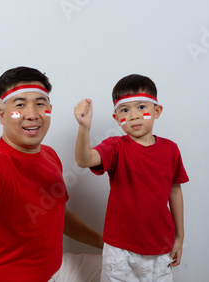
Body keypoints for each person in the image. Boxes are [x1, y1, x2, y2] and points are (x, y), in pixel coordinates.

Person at [0, 66, 103, 282]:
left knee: (132, 265)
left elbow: (59, 216)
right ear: (1, 115)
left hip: (55, 270)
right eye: (19, 105)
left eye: (40, 104)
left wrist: (105, 243)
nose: (32, 114)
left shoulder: (50, 155)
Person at [74, 74, 189, 281]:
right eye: (125, 110)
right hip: (120, 250)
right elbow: (84, 160)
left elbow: (175, 191)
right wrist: (84, 128)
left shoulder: (171, 149)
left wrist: (179, 238)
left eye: (141, 107)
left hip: (160, 246)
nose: (134, 115)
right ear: (117, 118)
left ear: (157, 111)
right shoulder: (115, 146)